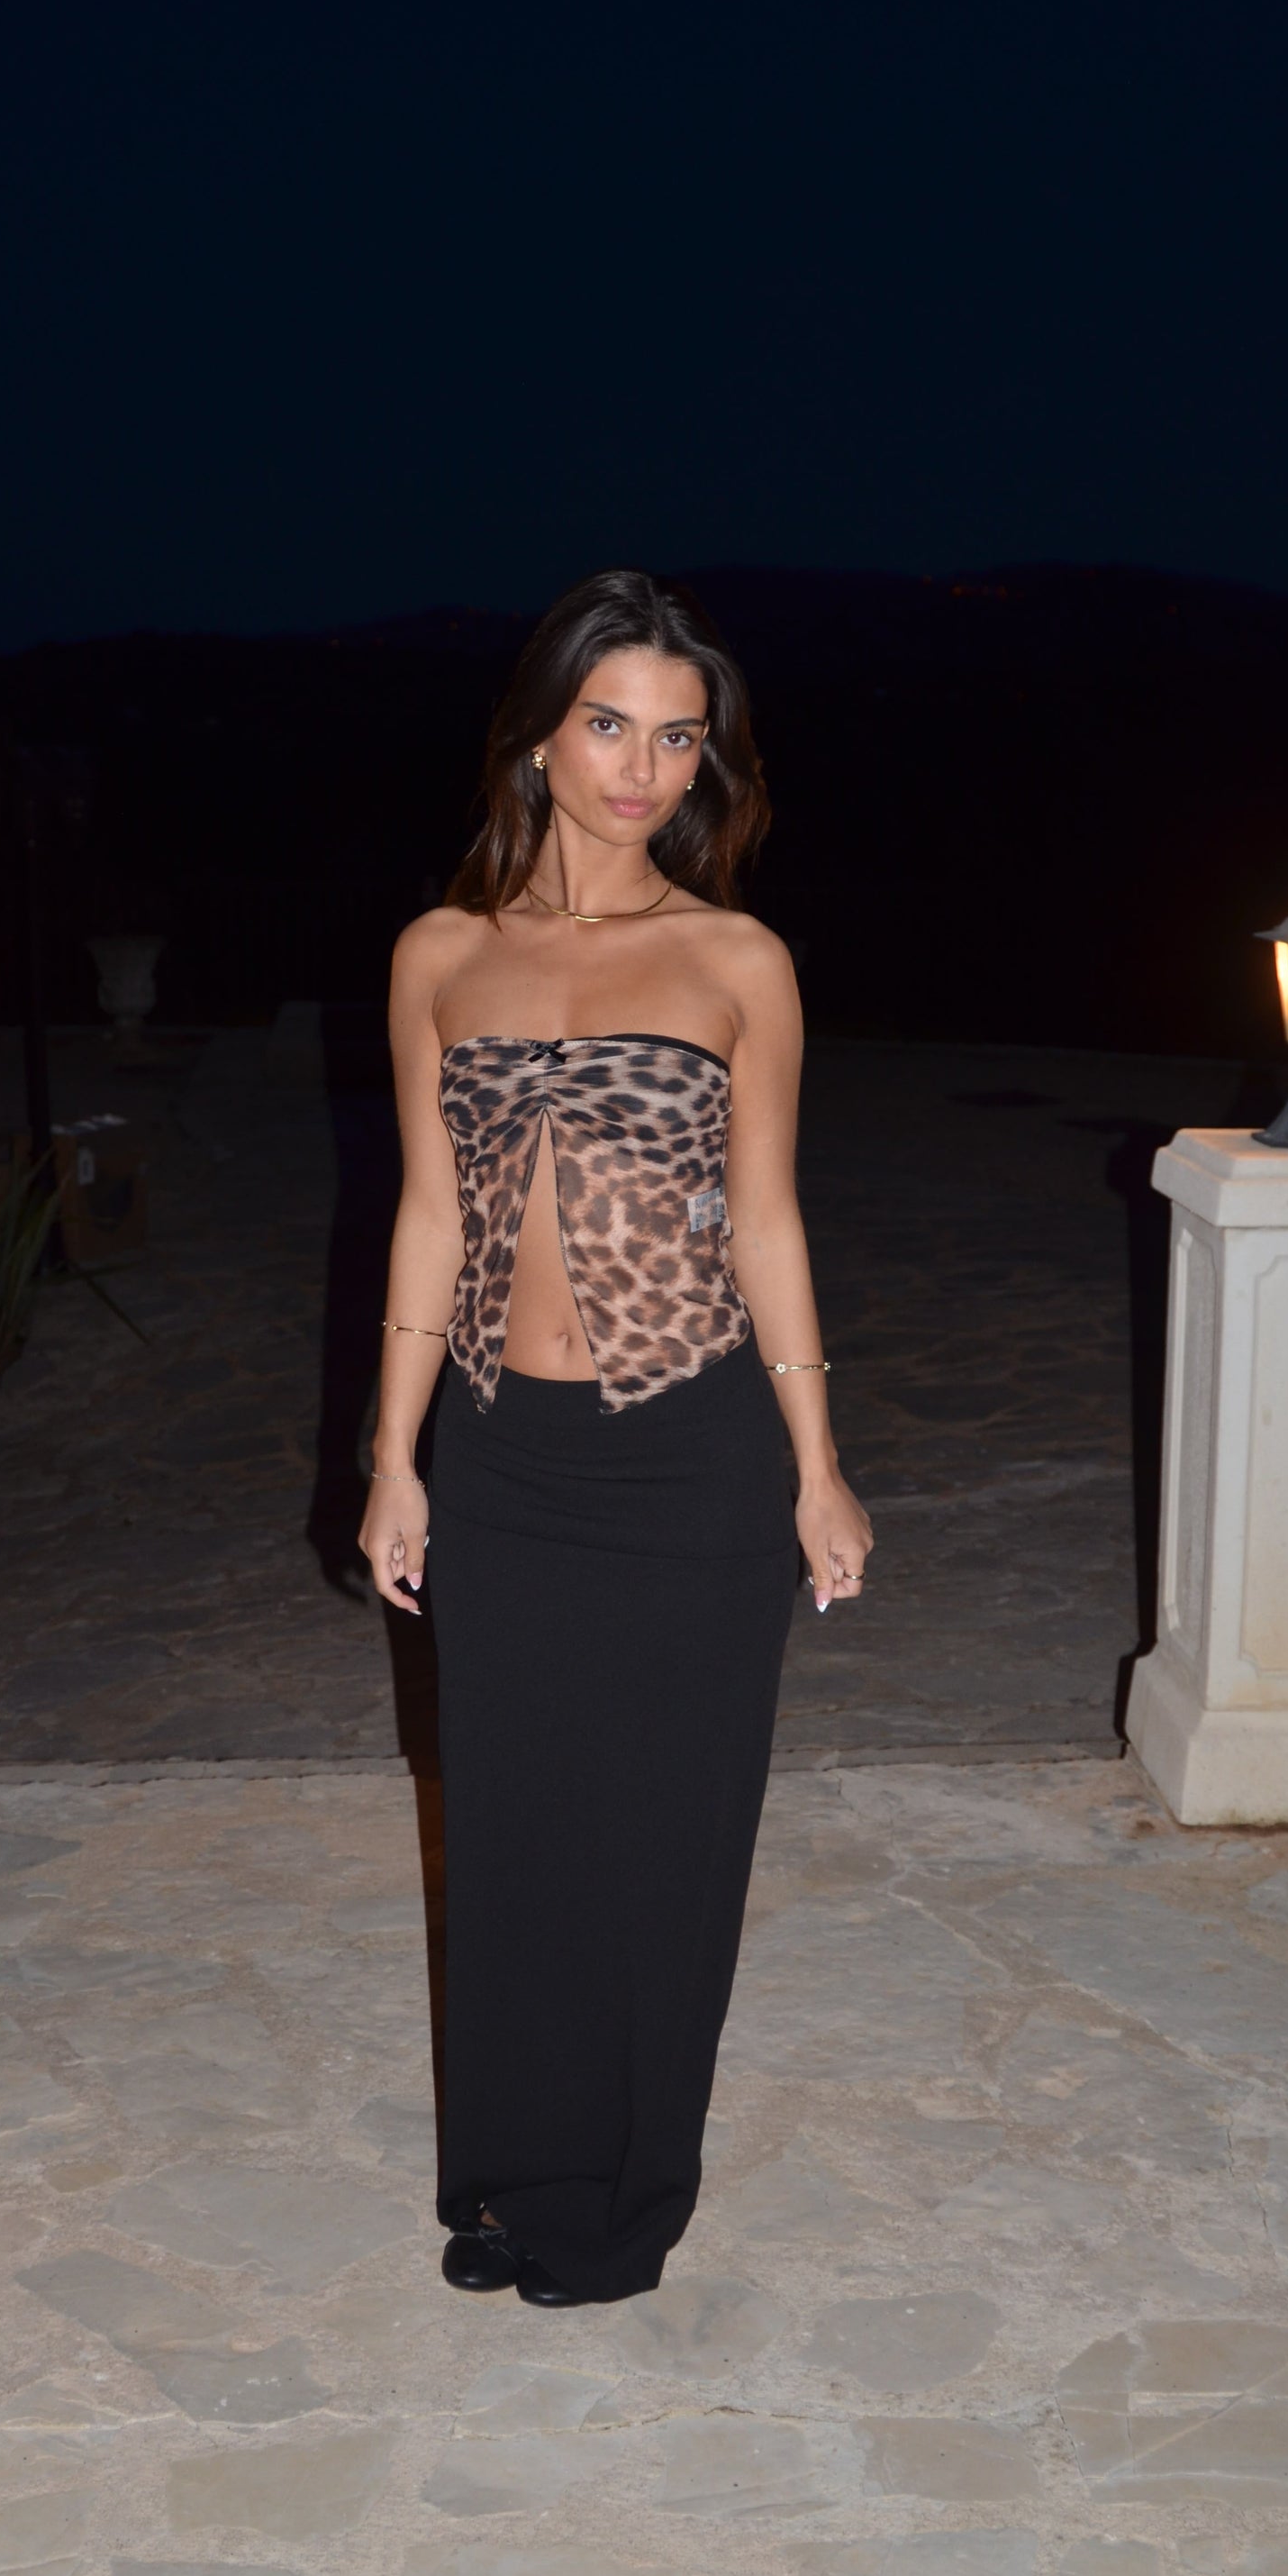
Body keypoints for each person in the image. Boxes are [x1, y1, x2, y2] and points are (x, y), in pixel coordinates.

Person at [358, 568, 873, 2307]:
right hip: (503, 1455)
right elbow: (430, 1218)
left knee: (665, 1836)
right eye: (609, 726)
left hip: (692, 1451)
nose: (644, 770)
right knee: (515, 1828)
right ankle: (517, 2175)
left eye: (677, 738)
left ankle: (625, 2200)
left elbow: (769, 1225)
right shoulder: (440, 956)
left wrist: (817, 1467)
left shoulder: (737, 959)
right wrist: (394, 1457)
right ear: (539, 739)